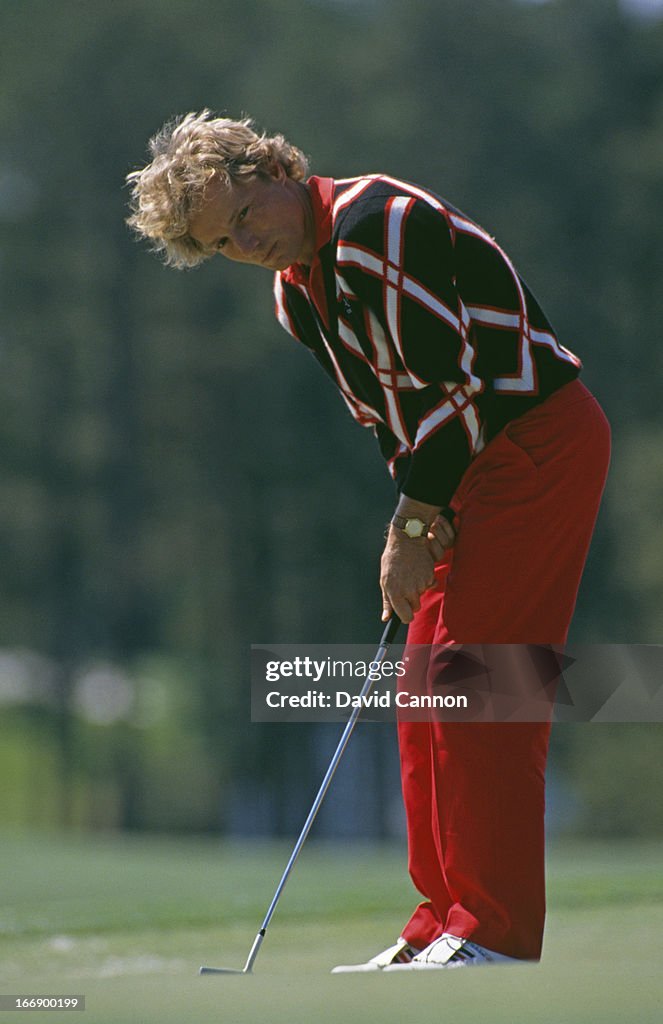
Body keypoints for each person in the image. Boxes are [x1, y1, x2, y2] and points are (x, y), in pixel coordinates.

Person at [126, 111, 610, 971]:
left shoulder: (376, 225)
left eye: (246, 217)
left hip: (534, 444)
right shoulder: (296, 294)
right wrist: (422, 515)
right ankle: (442, 924)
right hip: (464, 470)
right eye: (224, 244)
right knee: (423, 692)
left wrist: (411, 527)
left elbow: (455, 392)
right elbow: (393, 419)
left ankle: (494, 934)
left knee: (478, 691)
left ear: (275, 167)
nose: (248, 245)